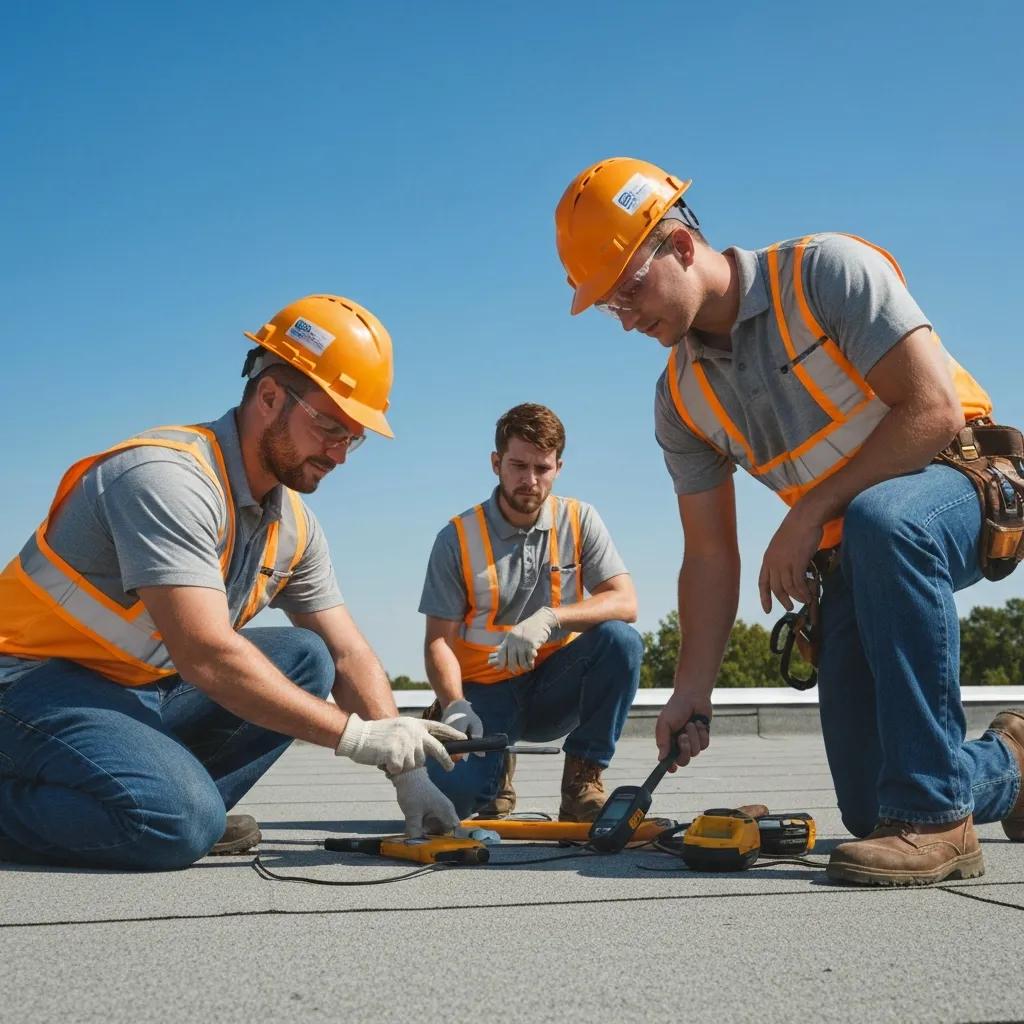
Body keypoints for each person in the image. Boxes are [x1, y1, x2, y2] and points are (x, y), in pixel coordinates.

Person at [554, 157, 1024, 885]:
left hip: (960, 482)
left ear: (679, 246)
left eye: (629, 289)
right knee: (873, 807)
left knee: (882, 520)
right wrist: (691, 692)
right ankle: (1008, 766)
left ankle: (940, 823)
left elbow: (930, 409)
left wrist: (810, 509)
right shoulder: (680, 400)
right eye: (609, 305)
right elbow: (708, 555)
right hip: (855, 546)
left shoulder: (822, 273)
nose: (625, 316)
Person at [0, 294, 464, 870]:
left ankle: (177, 810)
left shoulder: (291, 523)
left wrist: (409, 777)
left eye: (354, 437)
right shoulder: (167, 480)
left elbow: (346, 652)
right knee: (174, 821)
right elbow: (207, 657)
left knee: (305, 654)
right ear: (269, 397)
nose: (340, 454)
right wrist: (355, 737)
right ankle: (170, 815)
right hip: (27, 686)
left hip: (129, 691)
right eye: (329, 426)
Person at [418, 403, 643, 822]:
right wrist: (454, 705)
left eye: (542, 468)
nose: (530, 480)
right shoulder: (457, 537)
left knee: (620, 640)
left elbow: (625, 601)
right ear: (495, 463)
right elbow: (437, 641)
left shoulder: (579, 519)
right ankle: (490, 763)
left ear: (558, 467)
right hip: (483, 692)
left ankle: (582, 782)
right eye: (518, 465)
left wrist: (551, 618)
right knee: (446, 809)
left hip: (553, 688)